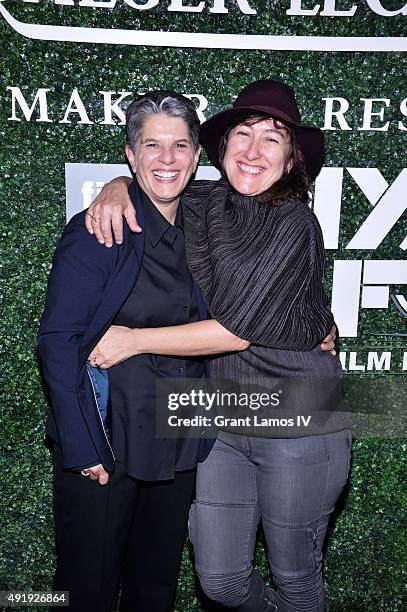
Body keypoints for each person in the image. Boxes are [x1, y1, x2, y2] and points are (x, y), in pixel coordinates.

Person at [86, 79, 350, 612]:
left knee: (296, 579)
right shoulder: (202, 203)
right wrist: (117, 183)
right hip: (223, 420)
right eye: (243, 135)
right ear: (222, 146)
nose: (253, 150)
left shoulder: (295, 221)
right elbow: (155, 183)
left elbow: (237, 329)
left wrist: (132, 341)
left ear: (291, 157)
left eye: (272, 140)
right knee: (220, 580)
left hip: (300, 420)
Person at [37, 90, 260, 612]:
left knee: (155, 589)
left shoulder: (210, 225)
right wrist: (82, 446)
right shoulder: (100, 231)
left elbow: (275, 273)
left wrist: (317, 323)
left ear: (197, 156)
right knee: (84, 591)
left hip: (180, 441)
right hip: (107, 442)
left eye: (180, 145)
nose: (167, 159)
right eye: (152, 146)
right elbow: (58, 342)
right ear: (131, 155)